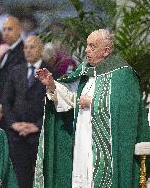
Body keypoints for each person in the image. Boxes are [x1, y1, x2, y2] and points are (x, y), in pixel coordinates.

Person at [34, 29, 150, 187]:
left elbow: (127, 110)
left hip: (107, 149)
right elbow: (70, 97)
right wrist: (52, 85)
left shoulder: (123, 74)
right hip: (82, 141)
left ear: (106, 51)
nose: (87, 50)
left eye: (92, 46)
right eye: (87, 45)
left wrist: (93, 102)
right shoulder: (85, 70)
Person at [2, 35, 55, 188]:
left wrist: (37, 125)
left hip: (40, 133)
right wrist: (13, 123)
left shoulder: (51, 72)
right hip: (17, 134)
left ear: (41, 49)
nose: (28, 50)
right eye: (26, 47)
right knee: (20, 178)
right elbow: (6, 101)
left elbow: (54, 103)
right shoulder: (15, 71)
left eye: (32, 47)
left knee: (42, 177)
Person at [0, 16, 25, 124]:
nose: (6, 32)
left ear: (19, 31)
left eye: (10, 29)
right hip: (0, 110)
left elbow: (18, 85)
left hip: (13, 113)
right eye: (4, 29)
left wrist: (3, 106)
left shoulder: (24, 52)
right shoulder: (5, 53)